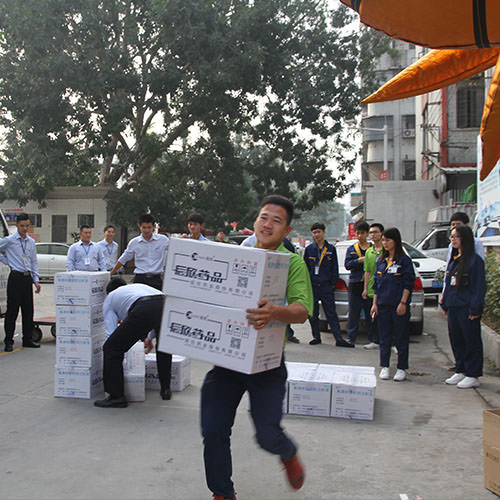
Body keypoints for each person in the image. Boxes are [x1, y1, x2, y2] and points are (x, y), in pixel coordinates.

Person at [200, 195, 313, 500]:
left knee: (267, 435)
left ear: (286, 230)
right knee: (213, 430)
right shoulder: (238, 256)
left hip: (267, 362)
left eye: (277, 221)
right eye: (264, 217)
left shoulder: (293, 263)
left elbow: (302, 310)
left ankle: (287, 452)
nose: (268, 224)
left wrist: (275, 312)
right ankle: (222, 493)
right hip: (228, 359)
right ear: (255, 221)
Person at [94, 278, 173, 407]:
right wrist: (150, 338)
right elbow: (152, 313)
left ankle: (116, 396)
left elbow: (111, 333)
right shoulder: (135, 288)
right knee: (163, 347)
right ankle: (166, 389)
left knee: (111, 348)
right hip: (166, 303)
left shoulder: (110, 298)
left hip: (144, 307)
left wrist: (109, 366)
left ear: (108, 292)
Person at [440, 225, 486, 389]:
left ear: (464, 239)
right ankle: (460, 369)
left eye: (456, 237)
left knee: (471, 340)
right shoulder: (454, 260)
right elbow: (448, 283)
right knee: (456, 339)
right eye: (451, 237)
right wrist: (444, 302)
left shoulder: (474, 261)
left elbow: (479, 287)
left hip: (466, 307)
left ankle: (473, 374)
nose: (453, 240)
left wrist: (475, 308)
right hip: (453, 305)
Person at [371, 227, 415, 382]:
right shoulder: (381, 261)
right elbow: (376, 285)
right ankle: (385, 366)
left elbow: (408, 284)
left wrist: (403, 302)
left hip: (398, 305)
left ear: (396, 241)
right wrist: (374, 304)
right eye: (383, 240)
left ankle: (402, 368)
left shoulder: (404, 261)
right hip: (383, 304)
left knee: (401, 337)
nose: (385, 243)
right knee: (384, 337)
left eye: (388, 240)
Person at [304, 222, 350, 347]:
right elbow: (305, 269)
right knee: (313, 314)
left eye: (318, 232)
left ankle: (338, 339)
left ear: (324, 232)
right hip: (313, 286)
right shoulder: (309, 249)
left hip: (326, 286)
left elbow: (334, 268)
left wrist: (332, 285)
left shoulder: (330, 249)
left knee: (331, 313)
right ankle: (316, 337)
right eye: (314, 232)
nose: (316, 235)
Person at [0, 214, 41, 351]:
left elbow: (34, 262)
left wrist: (36, 280)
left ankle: (27, 339)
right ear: (17, 225)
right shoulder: (10, 240)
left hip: (27, 278)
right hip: (15, 277)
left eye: (27, 226)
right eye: (22, 226)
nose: (25, 228)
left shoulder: (31, 242)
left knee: (28, 310)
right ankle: (9, 341)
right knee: (12, 311)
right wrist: (7, 261)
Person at [110, 214, 169, 291]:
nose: (146, 230)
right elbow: (123, 259)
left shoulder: (163, 240)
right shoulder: (134, 242)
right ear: (139, 226)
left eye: (149, 227)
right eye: (144, 227)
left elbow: (175, 248)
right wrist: (111, 273)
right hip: (140, 279)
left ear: (154, 227)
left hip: (156, 280)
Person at [344, 220, 372, 346]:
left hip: (370, 284)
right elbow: (347, 265)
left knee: (370, 312)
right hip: (355, 283)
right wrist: (358, 260)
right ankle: (351, 337)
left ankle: (372, 337)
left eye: (363, 233)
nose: (360, 235)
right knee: (353, 312)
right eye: (358, 233)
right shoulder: (351, 249)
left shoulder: (373, 248)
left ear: (367, 233)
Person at [362, 223, 384, 350]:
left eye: (375, 232)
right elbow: (367, 272)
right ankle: (374, 340)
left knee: (386, 317)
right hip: (372, 289)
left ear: (381, 233)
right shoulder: (369, 252)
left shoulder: (387, 250)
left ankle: (390, 342)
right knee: (372, 316)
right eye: (371, 233)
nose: (373, 235)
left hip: (385, 289)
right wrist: (365, 288)